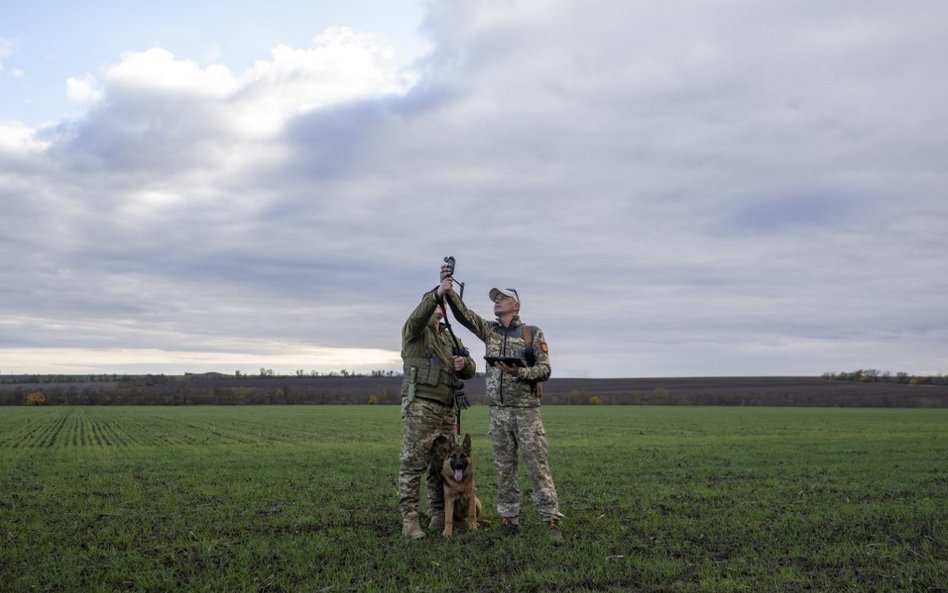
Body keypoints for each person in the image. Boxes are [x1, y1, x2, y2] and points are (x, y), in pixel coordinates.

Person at [441, 266, 564, 542]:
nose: (496, 300)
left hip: (526, 413)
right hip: (498, 414)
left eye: (502, 297)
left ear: (515, 305)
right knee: (504, 470)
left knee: (538, 468)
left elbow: (545, 370)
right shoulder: (490, 331)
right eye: (494, 298)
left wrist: (519, 372)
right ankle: (509, 520)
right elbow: (465, 316)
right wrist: (448, 291)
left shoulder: (532, 334)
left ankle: (551, 520)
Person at [398, 273, 477, 539]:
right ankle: (410, 520)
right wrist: (436, 294)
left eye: (442, 307)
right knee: (413, 464)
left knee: (439, 466)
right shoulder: (415, 332)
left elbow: (471, 367)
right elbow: (418, 316)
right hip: (420, 406)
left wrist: (463, 365)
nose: (440, 310)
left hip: (446, 409)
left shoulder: (449, 338)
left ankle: (437, 514)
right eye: (437, 305)